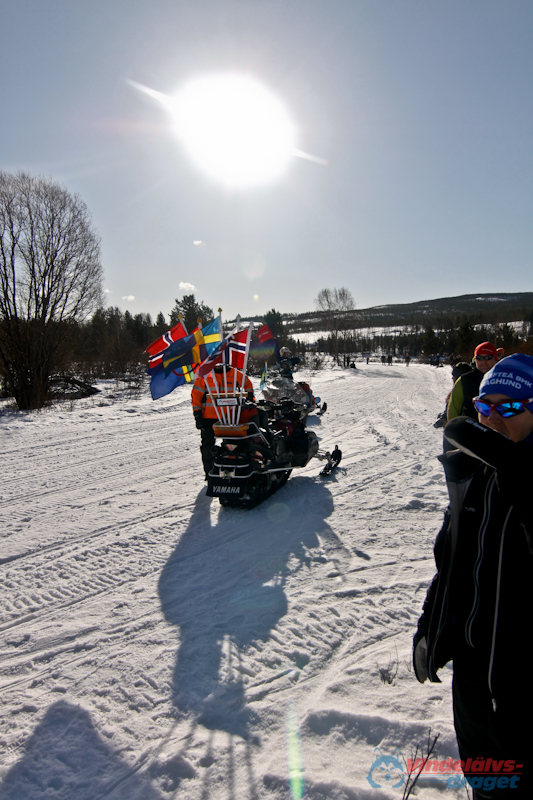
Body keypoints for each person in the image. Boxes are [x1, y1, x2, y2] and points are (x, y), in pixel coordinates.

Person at [414, 353, 533, 798]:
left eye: (510, 407)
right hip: (472, 676)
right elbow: (451, 561)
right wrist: (430, 625)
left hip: (521, 685)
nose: (493, 418)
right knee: (485, 780)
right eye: (485, 406)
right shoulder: (475, 474)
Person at [191, 364, 255, 477]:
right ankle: (210, 473)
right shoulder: (205, 375)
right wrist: (197, 415)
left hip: (229, 416)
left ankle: (232, 472)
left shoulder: (235, 374)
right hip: (208, 417)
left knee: (232, 446)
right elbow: (196, 395)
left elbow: (248, 385)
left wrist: (250, 398)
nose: (218, 364)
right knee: (207, 447)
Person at [447, 341, 502, 421]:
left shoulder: (503, 380)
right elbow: (454, 409)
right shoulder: (464, 380)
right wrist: (453, 427)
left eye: (488, 357)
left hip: (496, 426)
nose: (483, 361)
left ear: (495, 359)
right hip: (470, 427)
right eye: (479, 358)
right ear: (475, 359)